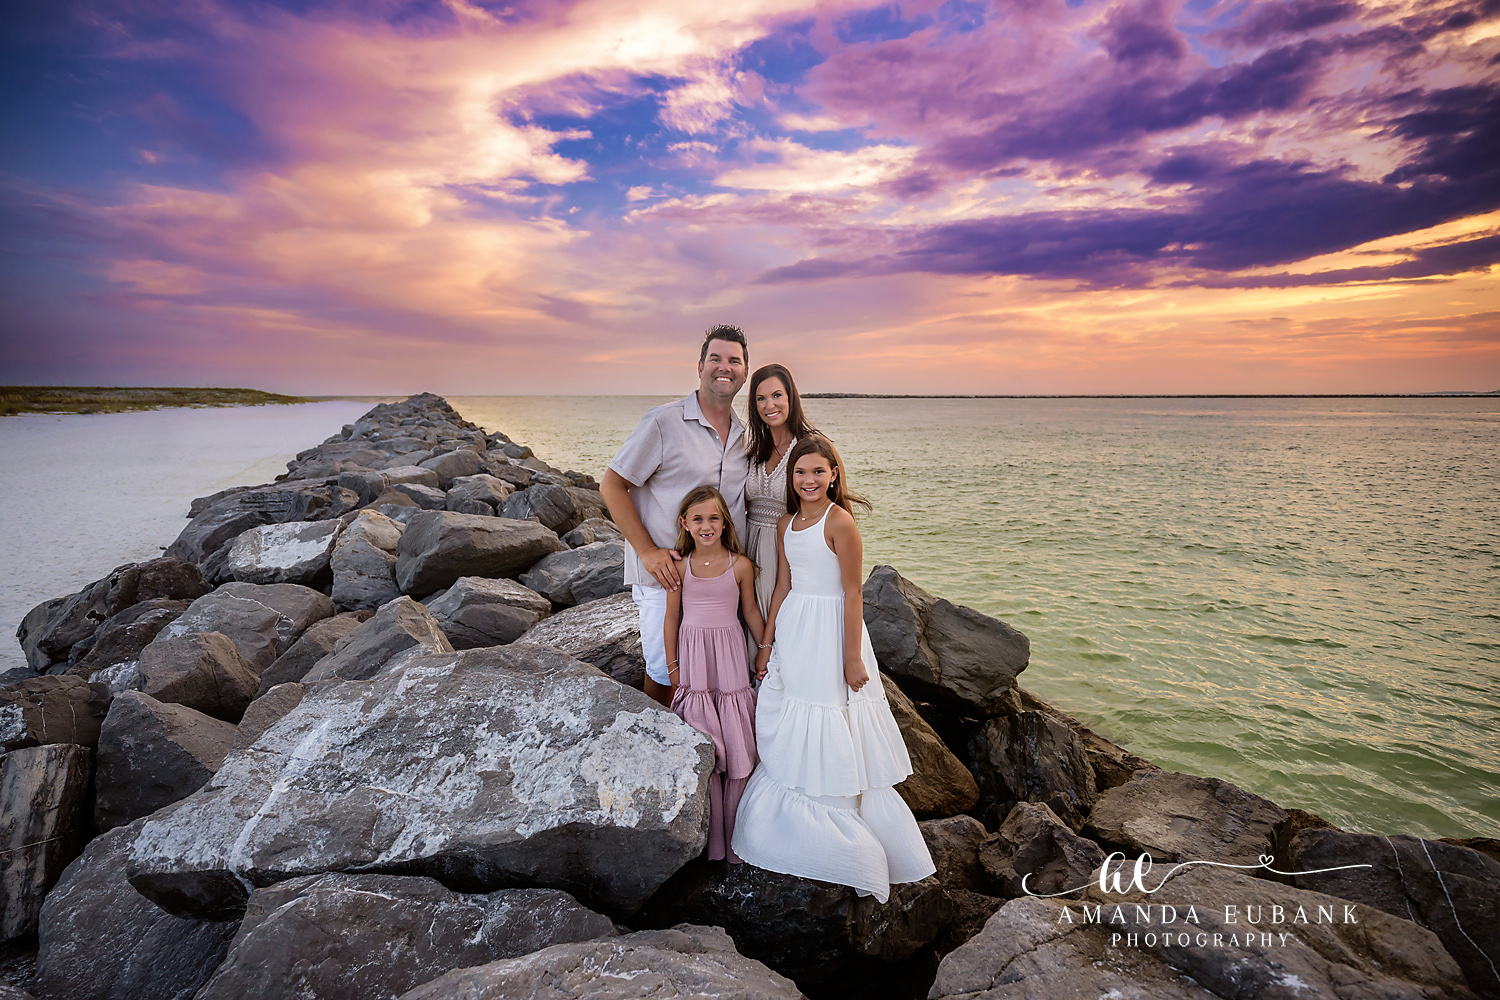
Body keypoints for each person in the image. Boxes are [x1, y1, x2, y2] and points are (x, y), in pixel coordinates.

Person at [732, 435, 935, 902]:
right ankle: (796, 813)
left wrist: (851, 656)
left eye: (818, 472)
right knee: (794, 707)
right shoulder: (785, 523)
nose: (809, 480)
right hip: (796, 628)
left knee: (829, 708)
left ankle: (838, 819)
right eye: (801, 472)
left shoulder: (839, 522)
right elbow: (782, 585)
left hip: (832, 630)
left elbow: (852, 593)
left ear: (834, 475)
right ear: (792, 477)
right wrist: (767, 643)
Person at [600, 325, 751, 707]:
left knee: (713, 673)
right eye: (716, 358)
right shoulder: (663, 422)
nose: (724, 367)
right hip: (665, 576)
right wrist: (648, 551)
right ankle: (662, 751)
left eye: (734, 360)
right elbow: (613, 486)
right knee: (666, 673)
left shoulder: (746, 436)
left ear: (745, 371)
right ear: (700, 365)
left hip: (719, 581)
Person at [663, 486, 763, 862]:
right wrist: (672, 666)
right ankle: (711, 846)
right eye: (699, 519)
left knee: (736, 747)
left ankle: (739, 841)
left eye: (714, 518)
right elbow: (671, 618)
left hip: (730, 657)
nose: (707, 525)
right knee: (705, 743)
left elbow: (751, 612)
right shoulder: (678, 567)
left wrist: (766, 649)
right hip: (693, 658)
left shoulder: (740, 565)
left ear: (725, 523)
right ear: (684, 523)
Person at [743, 364, 819, 619]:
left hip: (790, 557)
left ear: (791, 398)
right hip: (749, 553)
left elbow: (839, 512)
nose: (769, 405)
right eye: (760, 399)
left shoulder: (812, 447)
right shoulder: (753, 451)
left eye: (777, 395)